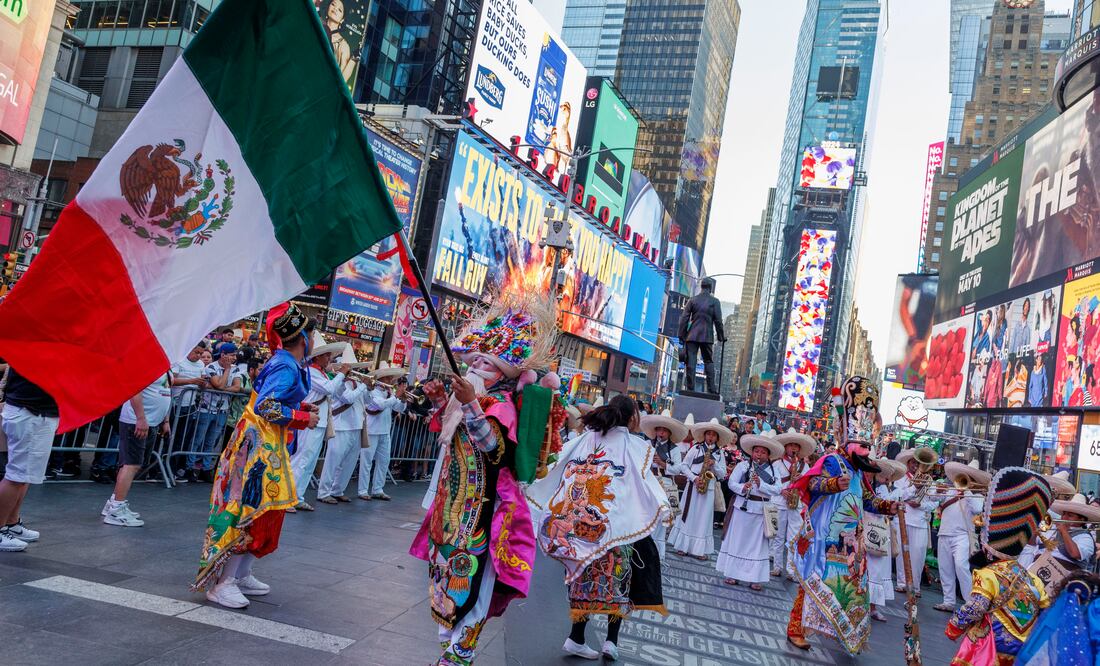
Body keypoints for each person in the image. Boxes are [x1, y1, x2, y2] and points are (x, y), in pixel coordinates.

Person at [410, 292, 557, 665]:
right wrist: (443, 400)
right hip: (451, 511)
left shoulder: (501, 405)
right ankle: (452, 649)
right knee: (445, 584)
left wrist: (471, 404)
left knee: (474, 586)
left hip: (483, 516)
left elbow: (494, 451)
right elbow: (450, 434)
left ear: (502, 374)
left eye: (485, 364)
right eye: (473, 361)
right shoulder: (469, 403)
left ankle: (460, 654)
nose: (475, 368)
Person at [193, 303, 319, 608]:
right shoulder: (286, 365)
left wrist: (299, 409)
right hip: (256, 448)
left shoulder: (286, 362)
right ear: (304, 337)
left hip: (266, 445)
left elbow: (268, 399)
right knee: (248, 509)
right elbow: (265, 406)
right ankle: (224, 582)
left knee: (266, 510)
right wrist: (302, 418)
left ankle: (243, 573)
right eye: (313, 335)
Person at [527, 396, 671, 661]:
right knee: (619, 582)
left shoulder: (586, 438)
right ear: (631, 418)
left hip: (585, 528)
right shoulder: (634, 446)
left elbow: (558, 465)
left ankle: (577, 636)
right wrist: (663, 507)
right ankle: (610, 641)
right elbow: (645, 483)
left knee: (584, 578)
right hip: (617, 526)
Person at [785, 375, 898, 654]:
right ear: (847, 442)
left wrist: (888, 507)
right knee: (813, 583)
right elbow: (811, 484)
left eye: (869, 446)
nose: (867, 451)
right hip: (826, 539)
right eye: (862, 446)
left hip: (852, 542)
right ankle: (795, 629)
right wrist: (832, 484)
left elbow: (868, 500)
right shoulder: (832, 461)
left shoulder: (859, 471)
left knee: (852, 592)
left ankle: (844, 633)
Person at [945, 468, 1053, 664]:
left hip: (992, 646)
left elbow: (975, 608)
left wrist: (954, 626)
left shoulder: (988, 575)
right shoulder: (1031, 577)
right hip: (1022, 648)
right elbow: (1045, 609)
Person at [286, 335, 348, 511]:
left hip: (317, 421)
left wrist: (342, 378)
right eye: (326, 355)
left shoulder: (321, 373)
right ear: (317, 357)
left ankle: (298, 496)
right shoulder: (310, 371)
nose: (330, 358)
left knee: (310, 461)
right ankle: (288, 498)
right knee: (301, 459)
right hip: (308, 420)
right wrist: (342, 374)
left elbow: (336, 392)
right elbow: (328, 389)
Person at [103, 372, 173, 527]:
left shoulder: (166, 368)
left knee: (133, 464)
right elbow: (135, 391)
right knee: (131, 464)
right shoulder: (148, 365)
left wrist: (165, 420)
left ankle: (114, 502)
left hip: (151, 422)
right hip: (136, 422)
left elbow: (167, 392)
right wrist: (140, 418)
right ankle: (116, 509)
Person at [0, 369, 58, 551]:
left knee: (25, 475)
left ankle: (11, 522)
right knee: (17, 475)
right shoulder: (35, 345)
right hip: (29, 411)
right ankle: (1, 527)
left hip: (37, 412)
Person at [717, 433, 782, 590]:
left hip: (761, 509)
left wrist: (761, 485)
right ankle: (732, 573)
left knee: (758, 545)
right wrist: (742, 487)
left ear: (768, 455)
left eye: (763, 452)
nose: (759, 455)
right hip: (742, 507)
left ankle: (755, 577)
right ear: (752, 452)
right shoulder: (744, 466)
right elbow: (731, 482)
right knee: (738, 540)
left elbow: (778, 489)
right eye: (756, 451)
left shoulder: (773, 471)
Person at [667, 418, 731, 560]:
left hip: (708, 488)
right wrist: (694, 478)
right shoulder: (695, 448)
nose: (710, 437)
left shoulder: (720, 454)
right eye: (708, 434)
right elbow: (684, 466)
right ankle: (683, 546)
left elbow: (723, 474)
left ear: (717, 437)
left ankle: (698, 549)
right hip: (693, 484)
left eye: (714, 435)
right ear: (704, 435)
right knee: (688, 515)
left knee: (704, 518)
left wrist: (714, 465)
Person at [933, 460, 989, 613]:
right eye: (964, 477)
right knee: (945, 569)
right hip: (944, 532)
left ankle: (969, 602)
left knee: (961, 566)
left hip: (962, 535)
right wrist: (938, 490)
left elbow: (978, 509)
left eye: (969, 477)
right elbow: (933, 501)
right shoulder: (951, 490)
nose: (966, 479)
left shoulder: (976, 496)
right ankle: (948, 601)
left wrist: (967, 490)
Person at [185, 344, 244, 482]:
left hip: (222, 410)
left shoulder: (236, 369)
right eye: (232, 354)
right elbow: (219, 385)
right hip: (206, 409)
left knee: (211, 440)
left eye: (235, 355)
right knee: (198, 439)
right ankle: (189, 467)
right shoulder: (211, 367)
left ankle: (206, 469)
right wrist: (226, 372)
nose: (234, 358)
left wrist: (222, 387)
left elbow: (236, 388)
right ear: (223, 355)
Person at [315, 369, 370, 504]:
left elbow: (368, 401)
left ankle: (337, 490)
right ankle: (323, 492)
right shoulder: (339, 382)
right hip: (341, 425)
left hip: (357, 425)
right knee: (333, 460)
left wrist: (368, 388)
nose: (356, 372)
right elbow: (347, 398)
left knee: (349, 462)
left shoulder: (358, 383)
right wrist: (363, 385)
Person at [358, 363, 407, 501]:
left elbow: (399, 409)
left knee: (384, 461)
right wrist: (395, 396)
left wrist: (402, 400)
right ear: (382, 377)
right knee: (366, 462)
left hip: (385, 431)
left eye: (392, 377)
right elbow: (379, 405)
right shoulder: (372, 390)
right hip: (371, 430)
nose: (391, 380)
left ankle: (378, 489)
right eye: (389, 377)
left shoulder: (389, 392)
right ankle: (362, 490)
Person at [893, 446, 938, 596]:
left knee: (918, 556)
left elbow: (934, 503)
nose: (915, 466)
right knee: (901, 553)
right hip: (903, 519)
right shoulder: (900, 479)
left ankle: (915, 587)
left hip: (920, 521)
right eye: (913, 463)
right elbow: (899, 496)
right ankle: (901, 583)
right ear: (908, 463)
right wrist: (914, 488)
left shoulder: (930, 481)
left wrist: (921, 505)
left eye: (917, 463)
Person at [770, 428, 814, 578]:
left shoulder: (805, 466)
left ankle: (791, 569)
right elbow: (771, 483)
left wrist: (802, 481)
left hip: (796, 504)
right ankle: (777, 566)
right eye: (791, 445)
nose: (794, 448)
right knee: (777, 536)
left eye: (796, 446)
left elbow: (809, 485)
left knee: (793, 538)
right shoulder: (776, 464)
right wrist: (782, 490)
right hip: (780, 502)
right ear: (786, 447)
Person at [868, 458, 905, 622]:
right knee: (872, 569)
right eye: (885, 476)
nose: (888, 479)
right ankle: (868, 606)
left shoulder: (890, 489)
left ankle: (873, 606)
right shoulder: (874, 489)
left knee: (880, 570)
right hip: (871, 530)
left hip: (883, 531)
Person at [677, 277, 725, 394]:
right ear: (710, 288)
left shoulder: (693, 300)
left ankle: (690, 388)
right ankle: (711, 389)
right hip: (707, 336)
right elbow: (718, 321)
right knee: (708, 361)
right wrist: (720, 336)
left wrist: (682, 335)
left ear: (701, 287)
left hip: (692, 335)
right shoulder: (715, 302)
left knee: (691, 362)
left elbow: (684, 318)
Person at [171, 342, 210, 483]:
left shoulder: (200, 365)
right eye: (196, 352)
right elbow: (172, 380)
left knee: (185, 438)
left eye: (200, 353)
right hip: (177, 404)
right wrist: (191, 381)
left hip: (191, 405)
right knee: (173, 438)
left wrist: (203, 383)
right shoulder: (180, 360)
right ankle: (167, 467)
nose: (198, 356)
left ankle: (178, 469)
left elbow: (203, 382)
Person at [1049, 493, 1099, 574]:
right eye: (1064, 514)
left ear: (1082, 519)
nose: (1064, 518)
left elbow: (1075, 554)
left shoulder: (1085, 537)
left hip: (1064, 577)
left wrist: (1064, 531)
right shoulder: (1055, 529)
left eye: (1070, 515)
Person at [638, 409, 688, 478]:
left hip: (665, 481)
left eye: (665, 430)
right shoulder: (647, 443)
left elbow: (677, 470)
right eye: (659, 429)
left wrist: (661, 463)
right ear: (655, 431)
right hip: (647, 478)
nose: (661, 432)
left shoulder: (674, 449)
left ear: (669, 433)